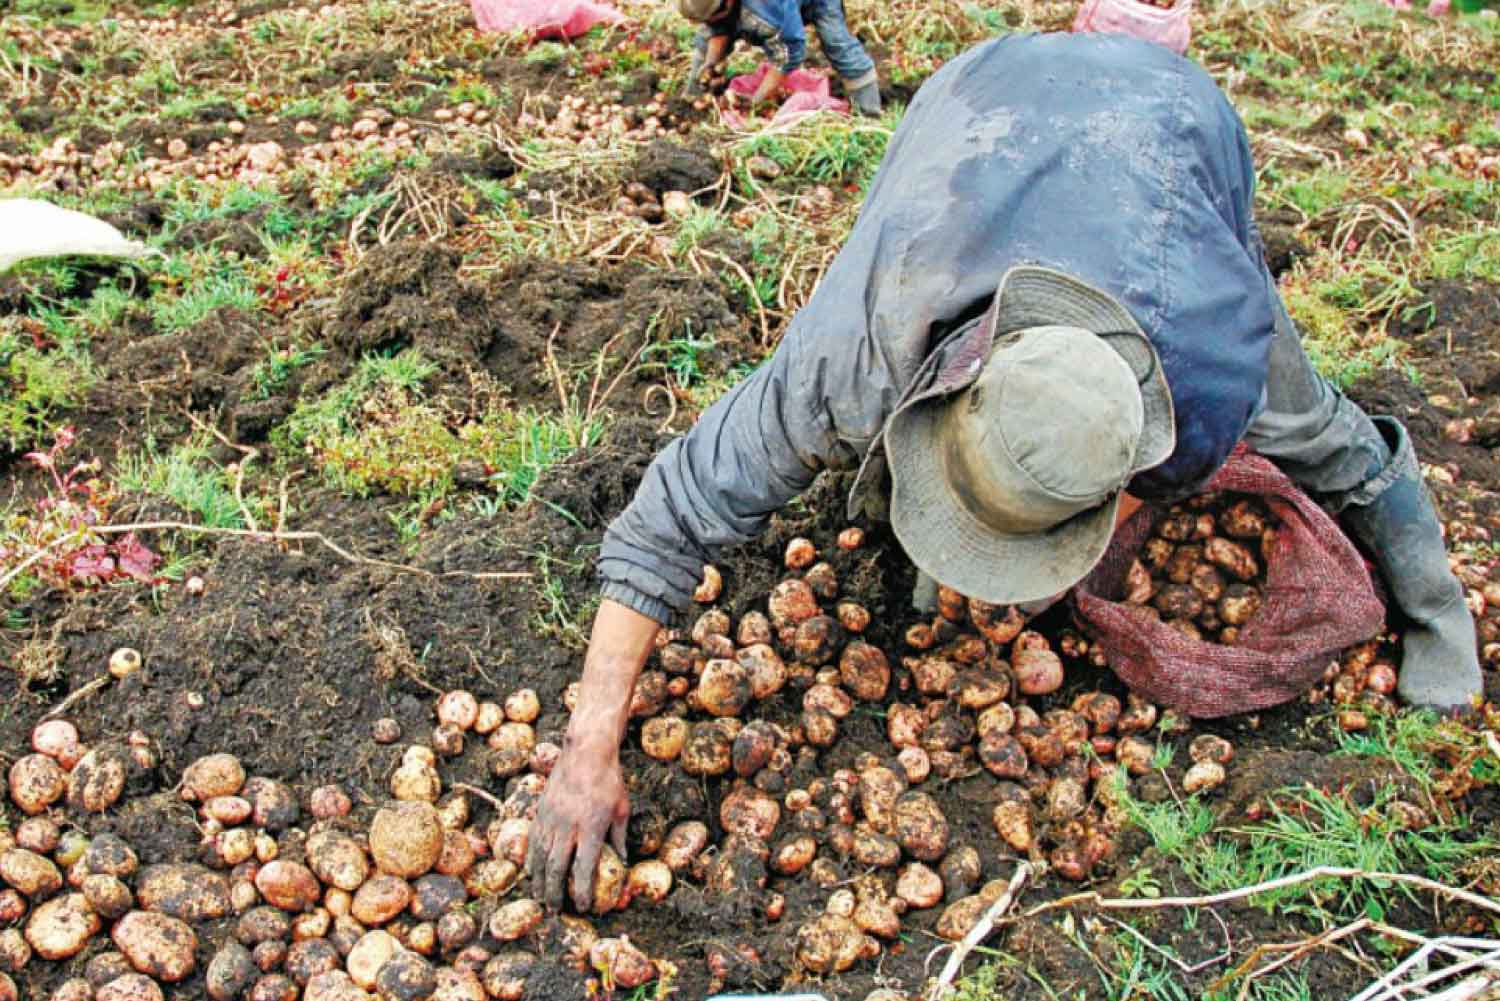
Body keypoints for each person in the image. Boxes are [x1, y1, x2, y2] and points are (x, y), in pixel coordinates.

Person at [526, 31, 1482, 911]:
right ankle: (955, 529)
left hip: (1174, 128)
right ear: (943, 390)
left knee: (1324, 434)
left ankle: (1441, 606)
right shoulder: (855, 347)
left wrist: (1423, 609)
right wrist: (587, 744)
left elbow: (1318, 444)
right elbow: (670, 513)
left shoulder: (1215, 377)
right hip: (983, 103)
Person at [677, 0, 881, 116]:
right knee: (706, 41)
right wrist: (711, 62)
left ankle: (869, 113)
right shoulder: (718, 9)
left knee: (838, 45)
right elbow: (716, 27)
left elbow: (787, 55)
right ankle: (693, 99)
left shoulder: (768, 11)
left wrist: (756, 101)